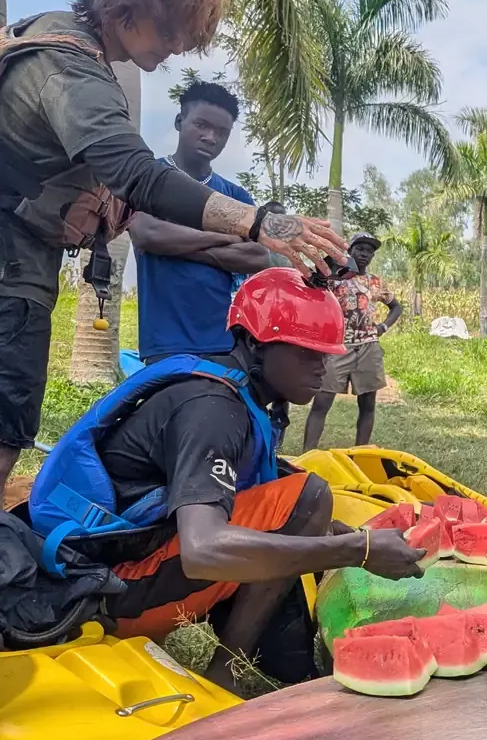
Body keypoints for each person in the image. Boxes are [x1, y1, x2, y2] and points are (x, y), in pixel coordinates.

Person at [0, 0, 343, 497]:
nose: (179, 45)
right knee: (5, 426)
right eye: (171, 30)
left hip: (25, 266)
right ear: (125, 9)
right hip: (10, 275)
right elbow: (140, 177)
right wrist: (261, 224)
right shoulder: (69, 67)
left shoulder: (52, 38)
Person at [28, 268, 425, 692]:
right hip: (106, 594)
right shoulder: (213, 410)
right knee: (308, 496)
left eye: (325, 354)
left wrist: (326, 533)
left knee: (301, 499)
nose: (322, 368)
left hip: (117, 566)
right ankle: (225, 674)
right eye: (308, 353)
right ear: (256, 343)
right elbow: (203, 550)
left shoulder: (242, 394)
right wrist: (355, 550)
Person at [130, 80, 271, 362]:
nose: (211, 137)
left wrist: (176, 242)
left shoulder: (236, 194)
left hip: (225, 343)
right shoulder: (150, 178)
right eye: (201, 125)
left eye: (222, 132)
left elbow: (257, 256)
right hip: (165, 343)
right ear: (180, 121)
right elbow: (147, 235)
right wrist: (227, 239)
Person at [302, 233, 403, 452]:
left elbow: (397, 306)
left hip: (368, 347)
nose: (364, 254)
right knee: (321, 402)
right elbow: (311, 290)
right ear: (350, 251)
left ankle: (361, 454)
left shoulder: (375, 282)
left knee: (367, 405)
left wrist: (382, 327)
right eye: (360, 249)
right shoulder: (335, 279)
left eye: (369, 251)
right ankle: (307, 455)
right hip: (338, 346)